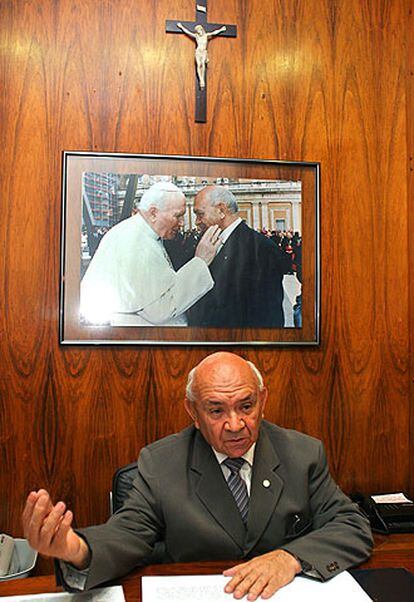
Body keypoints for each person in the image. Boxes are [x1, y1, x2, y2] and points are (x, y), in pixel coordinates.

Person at [22, 352, 373, 600]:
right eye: (216, 410)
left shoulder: (302, 453)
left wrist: (290, 558)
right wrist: (76, 549)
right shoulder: (161, 463)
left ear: (263, 400)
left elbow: (351, 527)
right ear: (193, 410)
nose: (235, 425)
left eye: (246, 407)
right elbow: (128, 534)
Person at [80, 182, 221, 326]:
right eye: (178, 216)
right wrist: (201, 261)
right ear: (153, 213)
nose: (182, 223)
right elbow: (160, 310)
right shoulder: (135, 242)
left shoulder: (138, 232)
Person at [187, 185, 291, 328]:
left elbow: (269, 317)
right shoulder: (206, 243)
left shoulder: (261, 249)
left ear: (221, 210)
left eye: (200, 214)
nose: (197, 221)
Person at [177, 23, 226, 89]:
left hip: (204, 52)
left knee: (203, 63)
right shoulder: (196, 36)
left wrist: (221, 29)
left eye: (199, 31)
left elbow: (214, 33)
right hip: (198, 51)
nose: (199, 32)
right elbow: (188, 32)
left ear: (202, 30)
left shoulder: (206, 35)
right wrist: (181, 27)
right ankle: (201, 79)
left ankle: (202, 79)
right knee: (198, 64)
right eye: (197, 31)